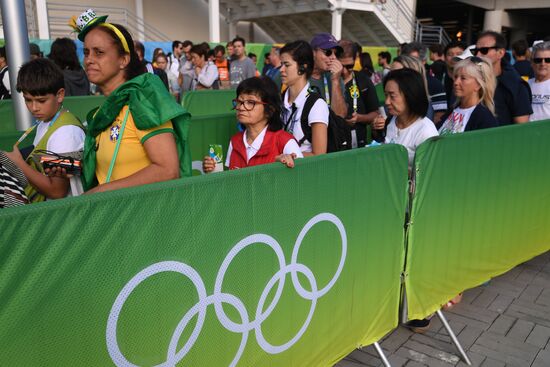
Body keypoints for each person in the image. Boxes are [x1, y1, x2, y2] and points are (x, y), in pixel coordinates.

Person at [66, 9, 191, 193]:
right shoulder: (105, 111)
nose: (89, 60)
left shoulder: (143, 102)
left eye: (99, 52)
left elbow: (167, 170)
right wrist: (73, 167)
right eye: (86, 52)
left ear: (124, 59)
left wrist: (102, 191)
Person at [3, 58, 85, 202]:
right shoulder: (46, 122)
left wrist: (19, 164)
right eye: (28, 100)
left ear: (60, 95)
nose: (34, 107)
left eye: (41, 101)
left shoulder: (66, 133)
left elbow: (57, 191)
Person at [202, 76, 302, 171]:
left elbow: (302, 180)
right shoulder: (234, 141)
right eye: (239, 101)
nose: (241, 108)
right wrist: (213, 171)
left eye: (251, 102)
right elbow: (231, 182)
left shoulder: (285, 142)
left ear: (270, 110)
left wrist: (280, 170)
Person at [373, 68, 438, 168]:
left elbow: (430, 172)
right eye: (386, 95)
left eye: (392, 96)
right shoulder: (391, 121)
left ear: (410, 95)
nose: (387, 102)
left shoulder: (425, 131)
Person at [280, 40, 329, 156]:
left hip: (305, 172)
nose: (281, 70)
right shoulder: (280, 100)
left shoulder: (316, 104)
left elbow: (319, 155)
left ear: (303, 67)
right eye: (281, 64)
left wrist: (288, 156)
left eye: (286, 65)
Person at [473, 31, 532, 125]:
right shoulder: (470, 81)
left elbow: (522, 128)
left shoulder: (515, 86)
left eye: (484, 50)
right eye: (475, 51)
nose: (478, 55)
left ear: (500, 53)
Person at [438, 56, 498, 134]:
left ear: (478, 85)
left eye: (463, 78)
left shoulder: (485, 119)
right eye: (456, 77)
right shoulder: (452, 110)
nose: (456, 82)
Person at [338, 40, 379, 147]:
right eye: (341, 66)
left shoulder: (364, 80)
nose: (344, 71)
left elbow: (375, 113)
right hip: (332, 143)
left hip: (357, 141)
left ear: (355, 59)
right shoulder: (327, 80)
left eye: (349, 66)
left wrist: (359, 118)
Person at [400, 43, 448, 124]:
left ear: (423, 61)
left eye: (413, 60)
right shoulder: (399, 82)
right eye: (406, 60)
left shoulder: (434, 84)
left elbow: (439, 115)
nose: (408, 63)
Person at [309, 33, 348, 118]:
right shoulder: (297, 74)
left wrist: (335, 81)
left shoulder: (335, 77)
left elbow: (340, 116)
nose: (333, 57)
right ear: (313, 53)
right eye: (328, 52)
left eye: (336, 54)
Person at [528, 41, 550, 121]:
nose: (543, 63)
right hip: (527, 131)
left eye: (548, 60)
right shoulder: (525, 85)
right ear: (532, 62)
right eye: (538, 60)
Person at [442, 41, 467, 106]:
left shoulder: (471, 79)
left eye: (459, 54)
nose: (454, 57)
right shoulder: (437, 76)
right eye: (450, 54)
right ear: (444, 58)